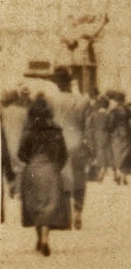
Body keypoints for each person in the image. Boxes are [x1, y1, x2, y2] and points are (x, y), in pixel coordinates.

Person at [17, 96, 69, 255]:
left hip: (33, 169)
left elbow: (21, 154)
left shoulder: (28, 132)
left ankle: (39, 237)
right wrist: (56, 167)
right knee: (49, 205)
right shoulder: (56, 131)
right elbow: (64, 154)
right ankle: (46, 238)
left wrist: (30, 161)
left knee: (34, 205)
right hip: (51, 170)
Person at [48, 66, 90, 229]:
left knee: (60, 177)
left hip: (57, 143)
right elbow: (87, 124)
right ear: (70, 83)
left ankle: (64, 214)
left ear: (56, 84)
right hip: (77, 141)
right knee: (79, 177)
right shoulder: (82, 100)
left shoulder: (50, 100)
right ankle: (78, 210)